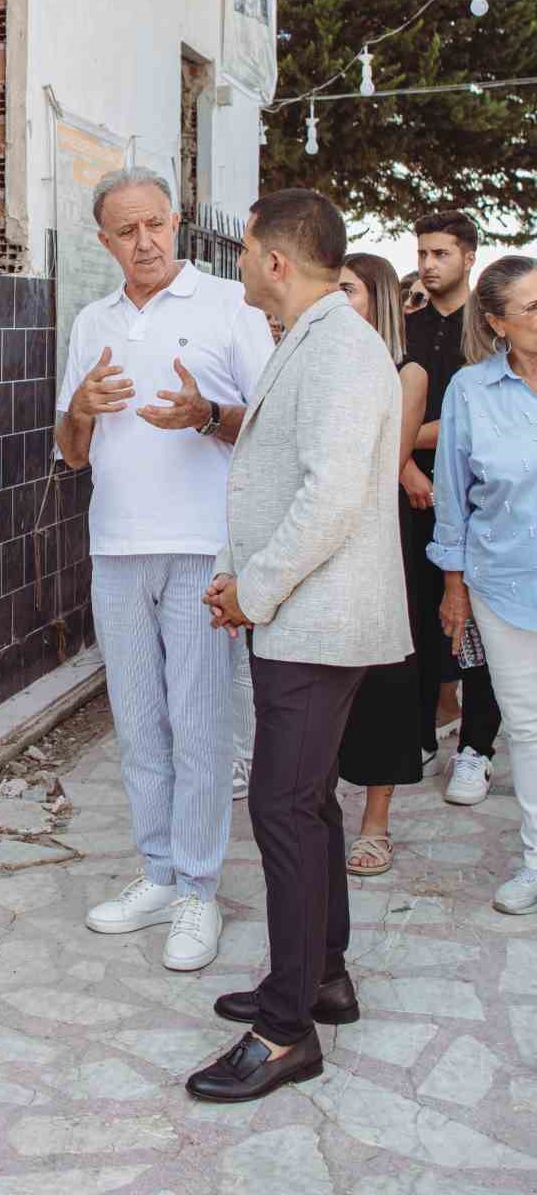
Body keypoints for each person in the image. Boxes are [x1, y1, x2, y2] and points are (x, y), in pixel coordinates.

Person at [187, 190, 411, 1105]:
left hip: (318, 621)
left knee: (281, 807)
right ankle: (321, 977)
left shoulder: (342, 349)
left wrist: (254, 587)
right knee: (309, 803)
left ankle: (286, 1034)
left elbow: (328, 499)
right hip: (298, 614)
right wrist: (236, 575)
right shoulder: (315, 339)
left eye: (243, 249)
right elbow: (277, 481)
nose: (238, 264)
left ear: (276, 260)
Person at [55, 168, 274, 972]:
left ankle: (198, 890)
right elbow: (72, 453)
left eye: (155, 225)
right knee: (139, 721)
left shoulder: (228, 305)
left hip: (200, 548)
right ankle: (156, 873)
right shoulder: (93, 320)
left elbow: (270, 424)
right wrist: (78, 409)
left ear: (177, 223)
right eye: (125, 231)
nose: (143, 242)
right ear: (104, 240)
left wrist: (205, 416)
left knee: (201, 725)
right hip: (115, 548)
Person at [430, 256, 537, 914]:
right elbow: (453, 497)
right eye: (531, 308)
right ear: (497, 323)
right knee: (525, 727)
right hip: (503, 583)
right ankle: (536, 863)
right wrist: (454, 585)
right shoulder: (470, 390)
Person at [335, 253, 429, 876]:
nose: (336, 301)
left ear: (380, 300)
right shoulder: (314, 362)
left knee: (385, 678)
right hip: (319, 540)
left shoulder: (408, 372)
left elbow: (382, 461)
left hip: (378, 538)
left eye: (348, 290)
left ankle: (375, 822)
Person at [403, 212, 501, 803]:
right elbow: (381, 411)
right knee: (413, 616)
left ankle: (476, 746)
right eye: (422, 253)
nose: (428, 264)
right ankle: (416, 733)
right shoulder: (406, 328)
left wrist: (408, 441)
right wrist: (406, 467)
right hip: (409, 492)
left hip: (475, 498)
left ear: (468, 256)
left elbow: (480, 422)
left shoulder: (489, 329)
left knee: (475, 625)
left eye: (440, 253)